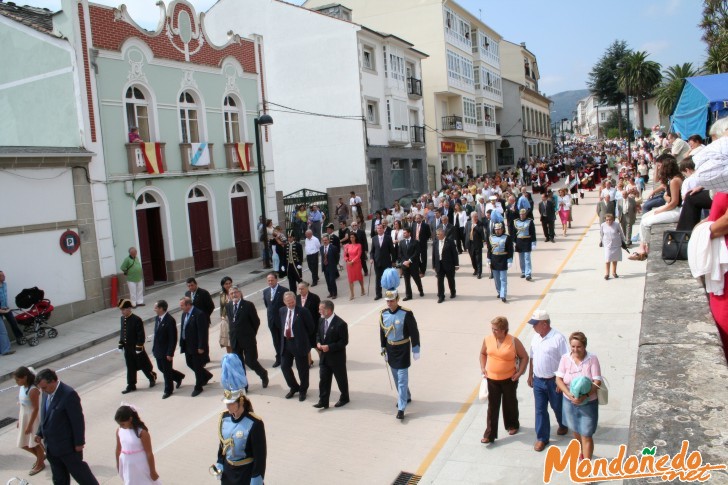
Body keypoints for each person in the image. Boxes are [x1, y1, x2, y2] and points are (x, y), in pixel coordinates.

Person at [35, 368, 99, 485]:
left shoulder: (68, 394)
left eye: (44, 387)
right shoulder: (46, 393)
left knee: (82, 476)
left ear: (53, 381)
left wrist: (79, 443)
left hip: (67, 448)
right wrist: (40, 432)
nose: (42, 391)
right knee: (59, 479)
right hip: (52, 448)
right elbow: (46, 415)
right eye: (41, 388)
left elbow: (77, 421)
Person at [213, 354, 266, 485]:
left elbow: (260, 457)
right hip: (228, 472)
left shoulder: (254, 423)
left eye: (231, 403)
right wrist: (220, 463)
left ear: (241, 401)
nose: (228, 406)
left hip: (246, 473)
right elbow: (223, 445)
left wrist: (257, 478)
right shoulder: (224, 418)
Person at [479, 316, 529, 444]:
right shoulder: (487, 339)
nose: (493, 331)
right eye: (492, 329)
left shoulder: (513, 341)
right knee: (492, 407)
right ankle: (489, 435)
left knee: (510, 403)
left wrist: (519, 373)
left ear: (503, 330)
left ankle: (512, 425)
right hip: (492, 379)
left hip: (509, 379)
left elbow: (524, 357)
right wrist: (483, 367)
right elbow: (483, 353)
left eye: (495, 329)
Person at [555, 332, 602, 460]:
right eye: (573, 347)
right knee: (575, 429)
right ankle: (582, 452)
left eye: (579, 347)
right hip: (569, 402)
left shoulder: (592, 359)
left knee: (586, 434)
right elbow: (558, 379)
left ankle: (586, 468)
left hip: (588, 403)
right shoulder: (565, 358)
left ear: (584, 346)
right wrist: (569, 395)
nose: (575, 350)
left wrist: (585, 396)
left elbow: (597, 381)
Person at [527, 310, 569, 452]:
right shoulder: (535, 338)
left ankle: (563, 424)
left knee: (557, 406)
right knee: (540, 410)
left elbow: (566, 361)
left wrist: (561, 381)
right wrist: (530, 375)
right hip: (538, 381)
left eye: (535, 324)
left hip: (553, 381)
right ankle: (542, 438)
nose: (533, 327)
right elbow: (532, 357)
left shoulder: (558, 338)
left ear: (544, 324)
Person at [379, 280, 420, 420]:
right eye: (387, 301)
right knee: (396, 378)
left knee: (402, 378)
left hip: (402, 348)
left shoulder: (406, 313)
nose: (389, 303)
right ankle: (406, 396)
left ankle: (401, 407)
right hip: (391, 348)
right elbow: (382, 331)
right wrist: (383, 347)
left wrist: (416, 348)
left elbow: (414, 331)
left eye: (391, 301)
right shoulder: (383, 314)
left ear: (397, 299)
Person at [632, 156, 684, 260]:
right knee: (645, 217)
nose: (659, 168)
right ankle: (642, 247)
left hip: (678, 211)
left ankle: (644, 248)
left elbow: (674, 202)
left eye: (660, 166)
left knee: (647, 222)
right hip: (674, 208)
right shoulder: (674, 179)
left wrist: (660, 210)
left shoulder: (675, 180)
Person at [227, 286, 269, 390]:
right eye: (231, 293)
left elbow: (256, 322)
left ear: (240, 293)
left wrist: (251, 334)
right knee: (239, 364)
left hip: (248, 339)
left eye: (235, 292)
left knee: (251, 361)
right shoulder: (228, 306)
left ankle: (263, 374)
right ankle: (244, 385)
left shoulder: (248, 305)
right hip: (235, 340)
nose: (234, 295)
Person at [279, 291, 315, 402]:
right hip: (286, 343)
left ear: (295, 300)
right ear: (284, 302)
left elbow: (311, 327)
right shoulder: (282, 311)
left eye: (292, 301)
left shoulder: (303, 311)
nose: (290, 304)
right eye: (288, 302)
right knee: (284, 366)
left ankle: (303, 390)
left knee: (302, 369)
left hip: (299, 343)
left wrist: (302, 337)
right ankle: (294, 387)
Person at [314, 299, 350, 409]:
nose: (319, 311)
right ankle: (323, 401)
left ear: (328, 310)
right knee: (323, 379)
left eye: (321, 309)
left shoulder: (340, 324)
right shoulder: (321, 320)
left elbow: (343, 342)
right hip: (324, 358)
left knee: (341, 379)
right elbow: (318, 334)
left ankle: (345, 397)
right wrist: (318, 342)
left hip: (336, 358)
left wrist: (329, 347)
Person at [118, 299, 156, 394]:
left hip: (136, 347)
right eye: (121, 310)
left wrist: (139, 346)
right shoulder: (122, 319)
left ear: (129, 308)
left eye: (124, 309)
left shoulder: (136, 319)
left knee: (143, 365)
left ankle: (151, 377)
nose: (122, 312)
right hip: (128, 348)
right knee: (130, 366)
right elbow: (123, 331)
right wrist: (121, 342)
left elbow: (141, 335)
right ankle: (131, 385)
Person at [114, 405, 160, 484]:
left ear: (130, 419)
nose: (121, 426)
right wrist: (118, 464)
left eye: (123, 424)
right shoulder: (119, 430)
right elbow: (118, 449)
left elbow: (149, 453)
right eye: (119, 424)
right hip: (128, 465)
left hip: (141, 465)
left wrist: (152, 471)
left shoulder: (142, 433)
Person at [13, 366, 46, 475]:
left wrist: (29, 425)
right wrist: (20, 419)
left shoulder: (33, 390)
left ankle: (40, 463)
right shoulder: (23, 387)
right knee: (23, 443)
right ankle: (40, 457)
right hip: (24, 416)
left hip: (32, 418)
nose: (17, 382)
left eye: (18, 379)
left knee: (35, 443)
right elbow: (22, 405)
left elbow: (36, 408)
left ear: (25, 377)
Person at [179, 296, 212, 396]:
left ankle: (198, 387)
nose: (181, 307)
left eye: (182, 305)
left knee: (197, 367)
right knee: (189, 363)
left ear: (188, 305)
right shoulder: (184, 314)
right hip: (187, 344)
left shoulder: (199, 314)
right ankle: (206, 375)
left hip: (196, 345)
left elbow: (203, 332)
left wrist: (201, 346)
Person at [151, 300, 185, 399]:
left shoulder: (170, 320)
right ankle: (178, 377)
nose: (154, 310)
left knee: (166, 371)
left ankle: (168, 389)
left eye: (156, 308)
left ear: (161, 308)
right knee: (161, 368)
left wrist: (170, 353)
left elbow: (172, 338)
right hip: (158, 350)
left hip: (166, 351)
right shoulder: (157, 318)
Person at [185, 277, 214, 363]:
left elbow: (210, 306)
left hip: (203, 320)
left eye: (192, 285)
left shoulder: (203, 293)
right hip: (192, 321)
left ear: (196, 284)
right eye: (189, 286)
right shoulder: (187, 294)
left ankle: (205, 357)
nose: (190, 287)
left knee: (203, 338)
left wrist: (204, 316)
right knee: (195, 338)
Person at [263, 273, 288, 368]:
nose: (270, 282)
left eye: (272, 280)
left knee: (283, 340)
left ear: (276, 280)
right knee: (275, 340)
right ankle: (278, 358)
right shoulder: (266, 291)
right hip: (271, 320)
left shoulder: (284, 291)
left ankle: (285, 357)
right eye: (268, 280)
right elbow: (267, 305)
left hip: (281, 320)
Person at [486, 223, 514, 303]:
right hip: (494, 259)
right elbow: (489, 249)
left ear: (502, 229)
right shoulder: (491, 238)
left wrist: (509, 260)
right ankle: (499, 291)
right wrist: (488, 259)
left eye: (499, 229)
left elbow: (510, 250)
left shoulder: (507, 237)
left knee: (503, 279)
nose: (497, 231)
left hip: (503, 259)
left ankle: (503, 294)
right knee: (497, 279)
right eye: (496, 229)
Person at [297, 281, 321, 368]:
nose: (300, 291)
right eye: (299, 289)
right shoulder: (296, 298)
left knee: (315, 345)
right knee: (306, 346)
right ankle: (308, 361)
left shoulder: (314, 298)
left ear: (307, 288)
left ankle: (323, 360)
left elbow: (319, 313)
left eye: (302, 289)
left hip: (313, 326)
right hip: (301, 327)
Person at [432, 227, 459, 304]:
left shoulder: (450, 242)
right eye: (436, 234)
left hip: (449, 265)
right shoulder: (435, 242)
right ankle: (441, 296)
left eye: (438, 234)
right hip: (439, 265)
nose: (437, 236)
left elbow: (455, 253)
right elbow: (434, 254)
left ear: (443, 234)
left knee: (450, 280)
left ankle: (453, 292)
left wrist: (456, 264)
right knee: (440, 281)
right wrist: (434, 264)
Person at [370, 223, 396, 300]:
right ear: (376, 230)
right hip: (377, 262)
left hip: (387, 262)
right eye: (378, 228)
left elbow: (392, 250)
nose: (379, 229)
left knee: (388, 278)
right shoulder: (374, 238)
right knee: (378, 278)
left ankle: (390, 292)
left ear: (383, 229)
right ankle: (378, 294)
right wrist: (371, 258)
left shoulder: (388, 238)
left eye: (381, 228)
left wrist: (393, 261)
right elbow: (372, 251)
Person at [398, 227, 424, 300]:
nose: (404, 234)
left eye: (405, 233)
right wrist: (404, 261)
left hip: (413, 265)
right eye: (403, 233)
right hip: (405, 265)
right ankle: (408, 295)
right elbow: (400, 254)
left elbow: (417, 253)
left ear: (409, 233)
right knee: (406, 281)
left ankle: (420, 290)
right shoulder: (401, 242)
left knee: (417, 279)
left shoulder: (415, 242)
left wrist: (409, 260)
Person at [600, 213, 626, 280]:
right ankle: (607, 274)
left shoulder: (616, 224)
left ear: (612, 220)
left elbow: (621, 233)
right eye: (607, 220)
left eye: (610, 220)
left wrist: (623, 241)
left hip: (616, 244)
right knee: (607, 259)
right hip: (607, 244)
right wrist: (602, 242)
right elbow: (601, 234)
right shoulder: (603, 225)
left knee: (615, 259)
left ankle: (614, 272)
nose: (608, 221)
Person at [514, 209, 537, 281]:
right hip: (519, 241)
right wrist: (514, 242)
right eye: (521, 214)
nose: (522, 215)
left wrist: (533, 243)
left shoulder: (529, 221)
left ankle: (528, 273)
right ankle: (523, 271)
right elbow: (514, 233)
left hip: (527, 240)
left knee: (527, 258)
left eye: (523, 214)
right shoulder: (516, 222)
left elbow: (533, 232)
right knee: (521, 258)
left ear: (525, 214)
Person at [344, 232, 365, 300]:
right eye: (350, 237)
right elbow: (345, 255)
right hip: (349, 264)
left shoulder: (358, 245)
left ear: (355, 237)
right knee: (350, 279)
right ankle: (352, 294)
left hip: (356, 263)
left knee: (359, 277)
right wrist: (347, 261)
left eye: (353, 237)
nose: (351, 238)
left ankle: (362, 288)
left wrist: (352, 261)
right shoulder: (347, 246)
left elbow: (358, 255)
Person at [464, 212, 485, 279]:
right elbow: (465, 233)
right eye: (474, 217)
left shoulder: (480, 223)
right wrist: (466, 243)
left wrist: (476, 226)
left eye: (476, 216)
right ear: (471, 217)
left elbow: (481, 232)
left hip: (477, 244)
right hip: (470, 244)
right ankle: (475, 269)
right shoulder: (468, 223)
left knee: (478, 259)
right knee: (472, 258)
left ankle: (479, 272)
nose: (476, 218)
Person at [321, 234, 340, 299]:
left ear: (328, 240)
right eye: (323, 240)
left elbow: (337, 257)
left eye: (326, 240)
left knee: (332, 280)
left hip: (331, 266)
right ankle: (331, 292)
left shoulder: (333, 247)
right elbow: (322, 257)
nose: (325, 241)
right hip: (325, 266)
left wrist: (335, 264)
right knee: (327, 281)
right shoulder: (321, 248)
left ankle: (335, 293)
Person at [219, 276, 233, 354]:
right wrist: (222, 316)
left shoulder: (235, 292)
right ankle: (230, 356)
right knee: (227, 339)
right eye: (226, 284)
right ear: (223, 285)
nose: (228, 285)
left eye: (229, 283)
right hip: (226, 318)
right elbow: (221, 306)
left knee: (234, 338)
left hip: (234, 317)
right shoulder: (222, 294)